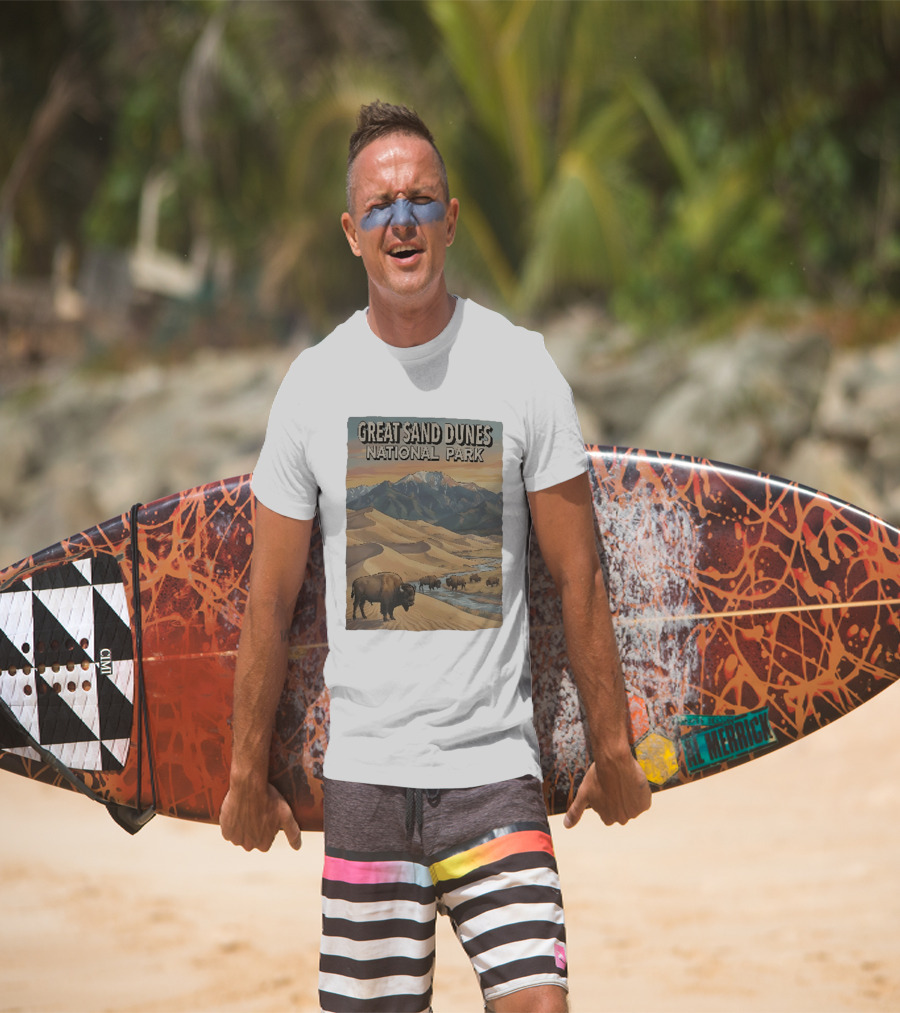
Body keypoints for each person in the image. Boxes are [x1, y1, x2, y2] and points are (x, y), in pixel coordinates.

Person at [220, 100, 651, 1013]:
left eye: (421, 200)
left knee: (540, 1003)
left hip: (495, 773)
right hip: (368, 780)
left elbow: (579, 575)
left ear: (451, 219)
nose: (402, 220)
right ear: (351, 232)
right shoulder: (314, 386)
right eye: (380, 206)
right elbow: (269, 600)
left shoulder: (521, 367)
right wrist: (242, 773)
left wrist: (612, 746)